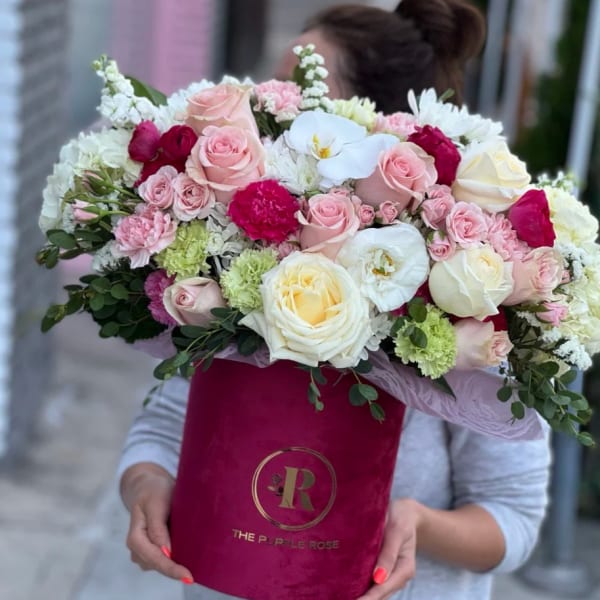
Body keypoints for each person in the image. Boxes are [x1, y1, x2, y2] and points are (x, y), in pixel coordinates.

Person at [118, 2, 552, 599]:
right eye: (269, 88)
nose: (267, 106)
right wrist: (144, 487)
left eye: (296, 90)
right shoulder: (233, 273)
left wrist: (418, 523)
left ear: (374, 129)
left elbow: (513, 519)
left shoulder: (467, 301)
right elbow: (163, 427)